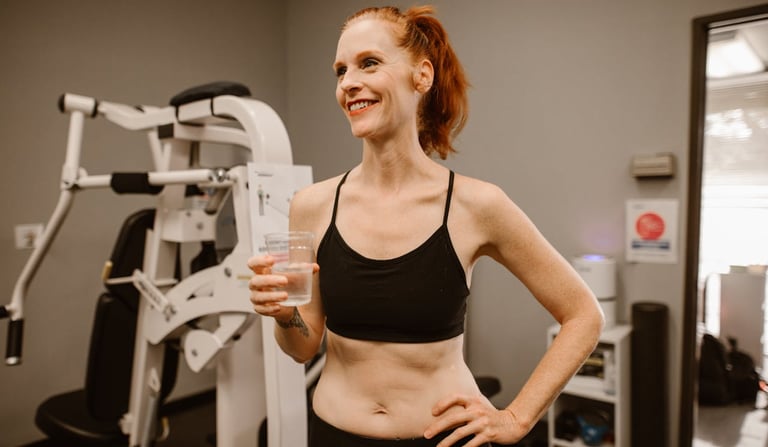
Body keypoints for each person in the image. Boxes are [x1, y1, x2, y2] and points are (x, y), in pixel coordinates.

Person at [247, 5, 604, 446]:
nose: (348, 83)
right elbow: (303, 346)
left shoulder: (477, 205)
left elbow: (584, 315)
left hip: (443, 438)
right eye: (340, 70)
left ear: (422, 76)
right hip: (333, 435)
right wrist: (285, 317)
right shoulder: (311, 205)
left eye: (369, 63)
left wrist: (516, 419)